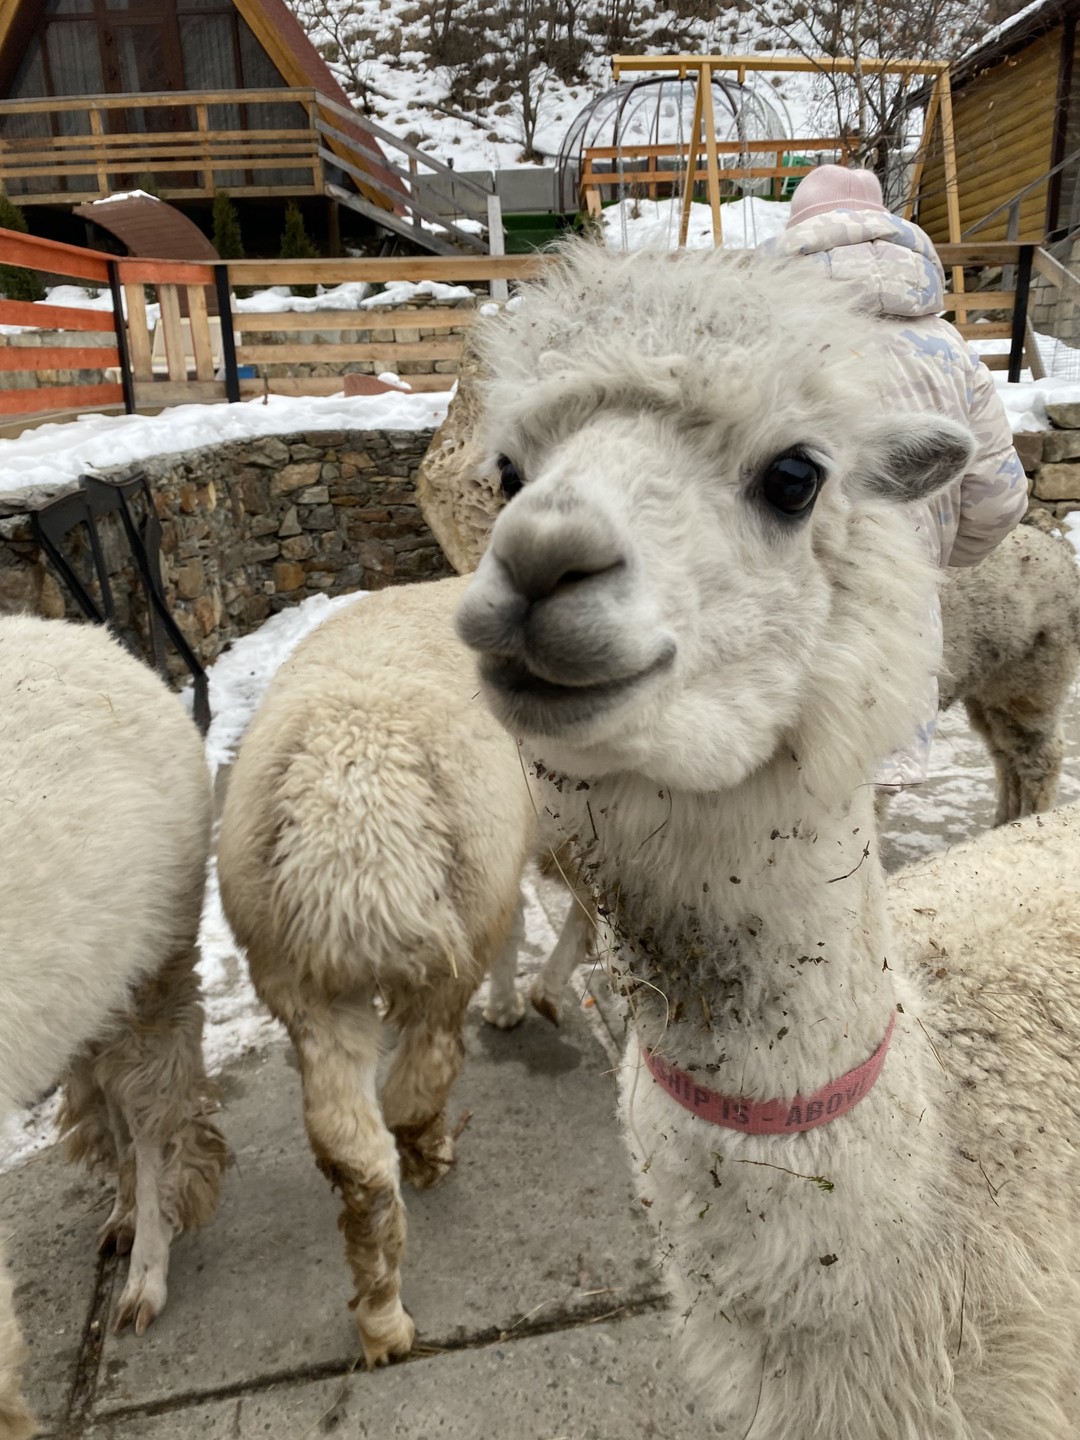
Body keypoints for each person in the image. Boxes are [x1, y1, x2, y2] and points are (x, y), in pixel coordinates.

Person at [766, 164, 1028, 787]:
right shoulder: (953, 352)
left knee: (778, 803)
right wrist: (927, 561)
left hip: (787, 611)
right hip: (900, 617)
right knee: (868, 788)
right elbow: (999, 498)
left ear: (798, 234)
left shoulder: (768, 345)